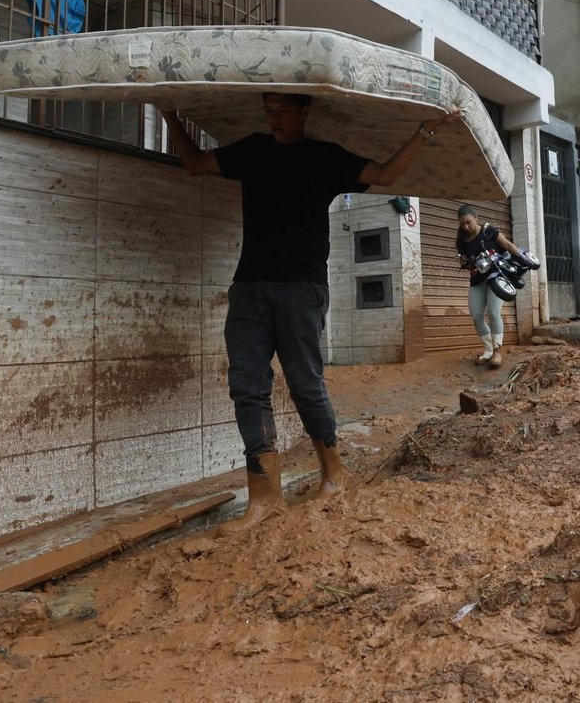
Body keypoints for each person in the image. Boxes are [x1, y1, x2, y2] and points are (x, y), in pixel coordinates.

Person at [162, 95, 463, 531]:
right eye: (268, 109)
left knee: (305, 382)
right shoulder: (252, 150)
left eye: (283, 110)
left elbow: (385, 174)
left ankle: (333, 471)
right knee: (247, 387)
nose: (274, 117)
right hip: (248, 289)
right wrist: (171, 115)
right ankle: (264, 499)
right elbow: (195, 164)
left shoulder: (324, 158)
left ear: (305, 111)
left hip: (302, 291)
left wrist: (425, 130)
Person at [455, 205, 526, 368]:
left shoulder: (488, 231)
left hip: (497, 277)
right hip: (477, 280)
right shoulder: (461, 240)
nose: (466, 227)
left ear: (476, 217)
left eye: (468, 222)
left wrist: (523, 258)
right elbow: (463, 261)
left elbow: (507, 245)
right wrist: (468, 263)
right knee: (476, 315)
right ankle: (487, 350)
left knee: (493, 313)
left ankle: (497, 352)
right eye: (462, 224)